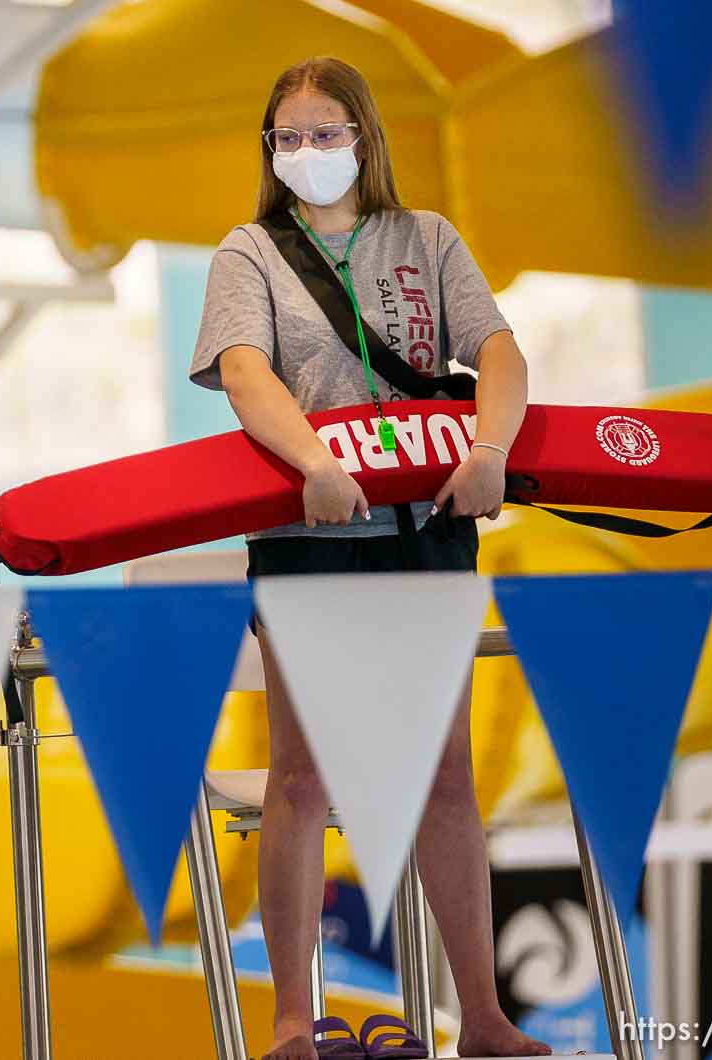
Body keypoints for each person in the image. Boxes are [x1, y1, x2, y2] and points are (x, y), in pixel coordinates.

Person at [188, 56, 549, 1060]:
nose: (309, 152)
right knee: (302, 778)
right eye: (289, 136)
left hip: (428, 527)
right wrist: (312, 460)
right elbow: (246, 373)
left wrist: (490, 448)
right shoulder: (248, 252)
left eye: (326, 131)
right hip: (309, 539)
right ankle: (294, 1022)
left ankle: (481, 1015)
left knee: (445, 779)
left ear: (364, 136)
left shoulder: (426, 238)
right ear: (270, 151)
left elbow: (501, 350)